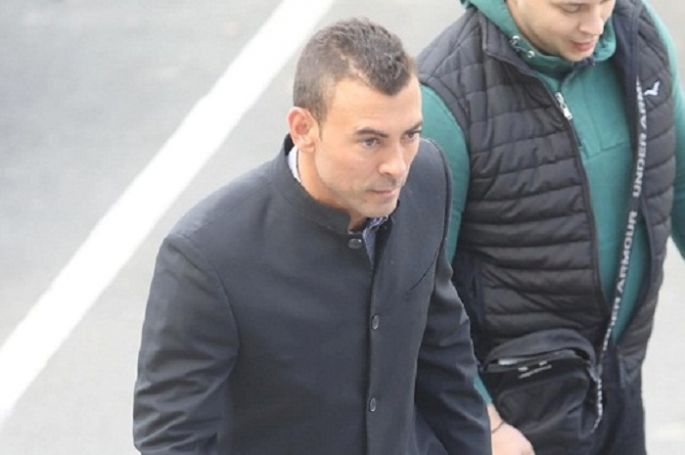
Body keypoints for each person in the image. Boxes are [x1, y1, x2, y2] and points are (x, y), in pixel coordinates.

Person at [133, 18, 491, 455]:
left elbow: (445, 356)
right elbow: (172, 441)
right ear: (303, 129)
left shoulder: (428, 178)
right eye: (370, 141)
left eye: (410, 135)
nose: (397, 166)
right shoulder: (206, 257)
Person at [418, 0, 685, 454]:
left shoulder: (640, 34)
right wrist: (485, 422)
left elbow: (681, 183)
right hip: (516, 420)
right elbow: (417, 297)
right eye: (572, 7)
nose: (594, 24)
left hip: (619, 382)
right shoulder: (443, 100)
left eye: (604, 2)